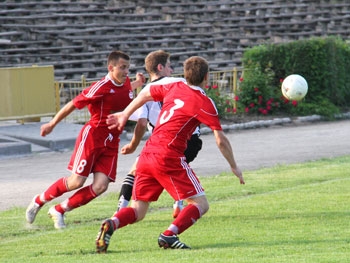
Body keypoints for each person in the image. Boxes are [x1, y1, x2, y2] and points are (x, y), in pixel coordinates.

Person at [95, 55, 244, 253]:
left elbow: (145, 93)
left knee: (138, 211)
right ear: (207, 77)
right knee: (201, 203)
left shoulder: (174, 87)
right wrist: (234, 166)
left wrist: (124, 114)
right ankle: (170, 235)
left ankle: (112, 223)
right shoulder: (204, 102)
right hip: (168, 155)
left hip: (147, 154)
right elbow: (220, 140)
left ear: (186, 74)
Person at [25, 50, 146, 229]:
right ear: (111, 68)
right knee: (76, 182)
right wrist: (52, 123)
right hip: (93, 137)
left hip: (112, 141)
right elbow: (73, 104)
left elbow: (127, 87)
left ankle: (59, 210)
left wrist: (139, 82)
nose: (126, 71)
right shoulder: (100, 87)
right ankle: (39, 200)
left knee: (101, 186)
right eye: (122, 67)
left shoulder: (126, 82)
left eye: (128, 67)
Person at [116, 50, 203, 218]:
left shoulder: (147, 91)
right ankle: (179, 202)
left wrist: (133, 145)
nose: (171, 70)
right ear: (160, 67)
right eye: (169, 66)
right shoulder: (181, 83)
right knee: (175, 169)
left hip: (163, 143)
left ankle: (121, 209)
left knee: (135, 171)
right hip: (191, 140)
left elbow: (141, 123)